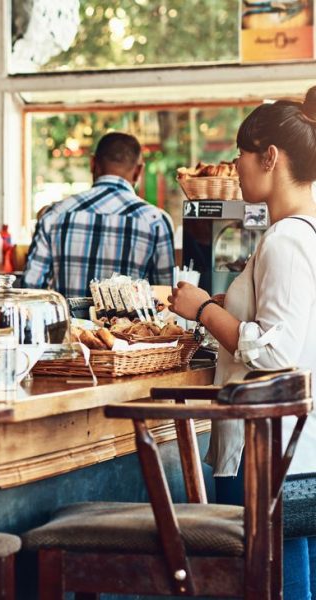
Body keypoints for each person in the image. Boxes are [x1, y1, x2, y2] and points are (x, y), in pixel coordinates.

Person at [169, 86, 316, 599]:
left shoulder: (287, 240)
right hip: (296, 452)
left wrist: (203, 310)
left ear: (269, 157)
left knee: (275, 583)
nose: (235, 166)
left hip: (271, 454)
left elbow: (276, 352)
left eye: (241, 154)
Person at [22, 132, 175, 297]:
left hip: (66, 323)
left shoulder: (55, 215)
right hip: (130, 324)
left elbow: (30, 291)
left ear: (93, 163)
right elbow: (165, 297)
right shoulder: (155, 221)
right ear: (138, 171)